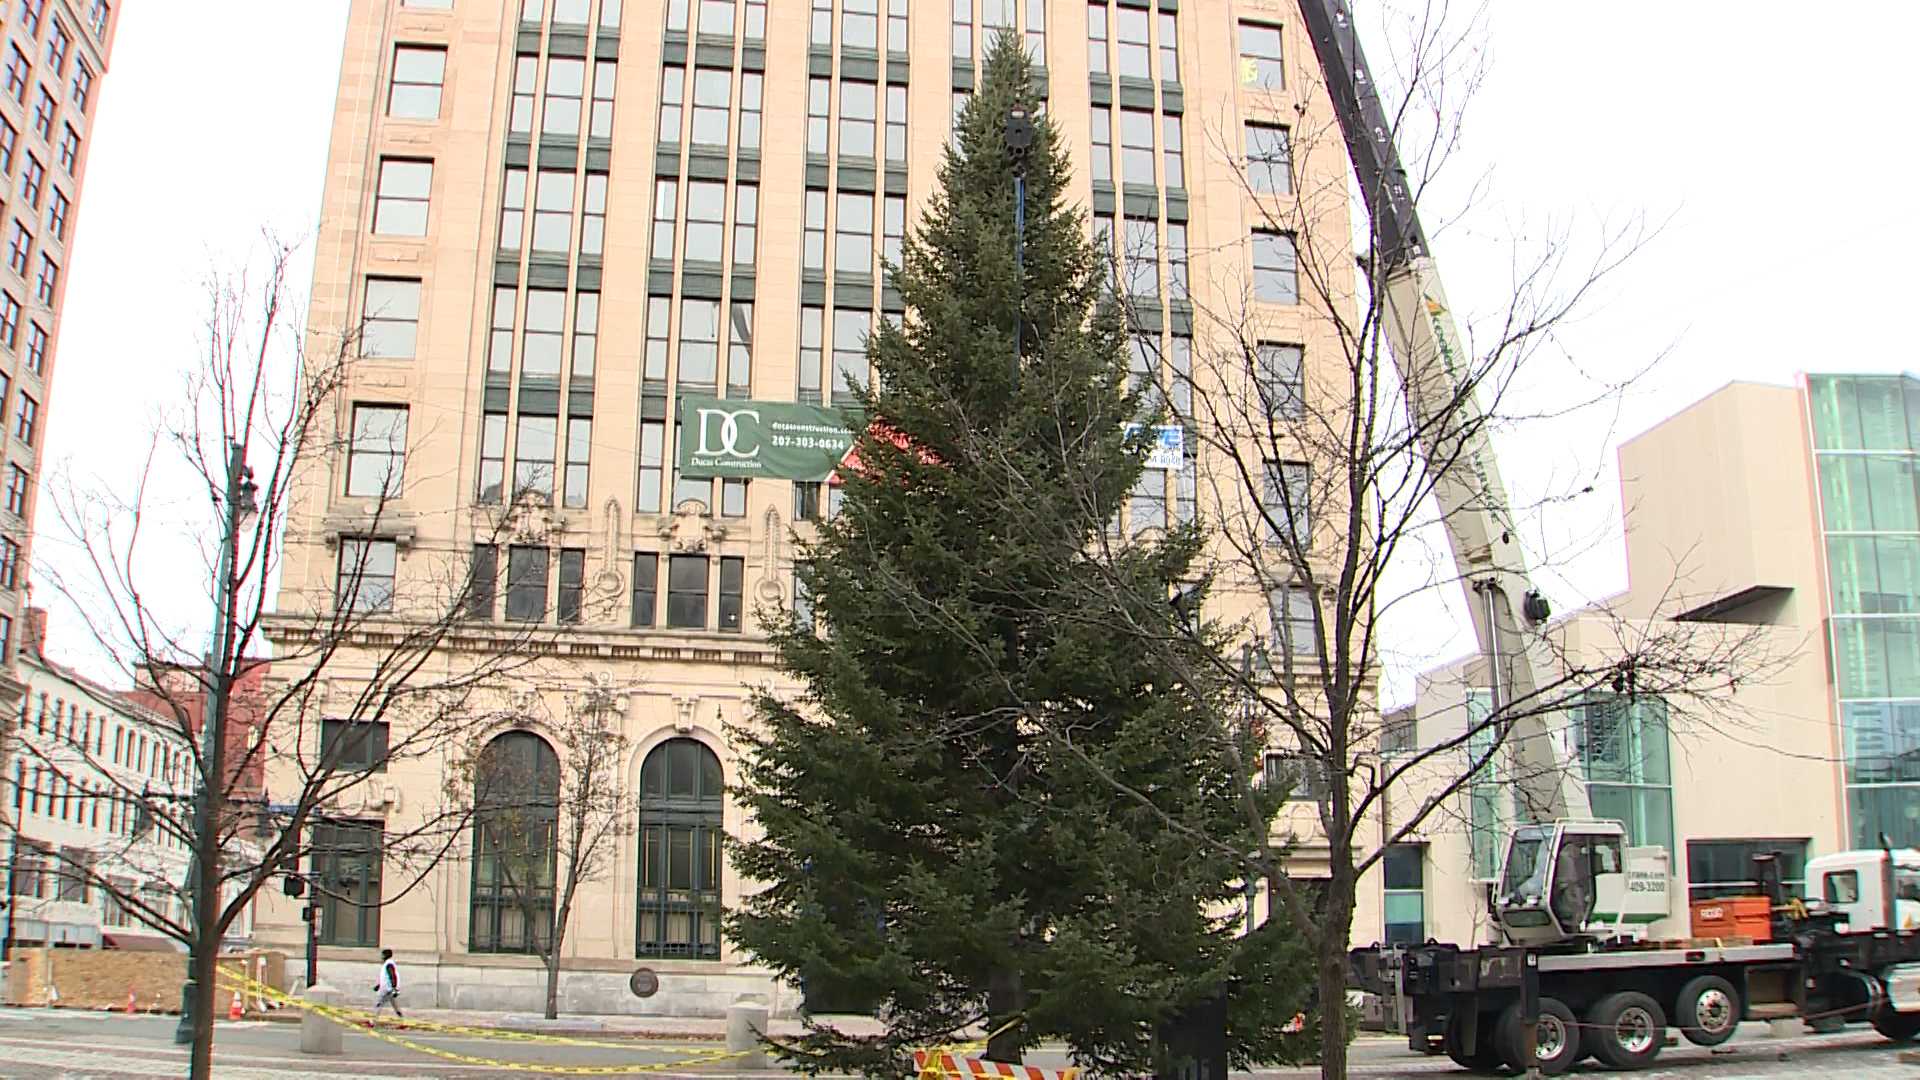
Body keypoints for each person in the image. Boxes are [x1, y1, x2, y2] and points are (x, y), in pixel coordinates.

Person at [373, 949, 403, 1018]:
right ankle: (401, 1018)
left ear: (385, 955)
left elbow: (392, 976)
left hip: (387, 989)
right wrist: (379, 985)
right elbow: (386, 978)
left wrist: (394, 988)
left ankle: (373, 1021)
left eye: (382, 955)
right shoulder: (388, 964)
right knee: (395, 1004)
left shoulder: (388, 964)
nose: (381, 956)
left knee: (379, 1004)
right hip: (389, 988)